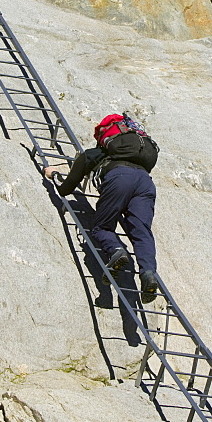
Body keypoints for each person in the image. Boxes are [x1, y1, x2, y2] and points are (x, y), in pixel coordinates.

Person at [44, 114, 159, 304]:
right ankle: (148, 274)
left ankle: (116, 251)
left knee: (102, 227)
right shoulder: (140, 154)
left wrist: (54, 174)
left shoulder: (98, 154)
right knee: (142, 233)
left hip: (119, 177)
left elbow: (66, 189)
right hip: (146, 183)